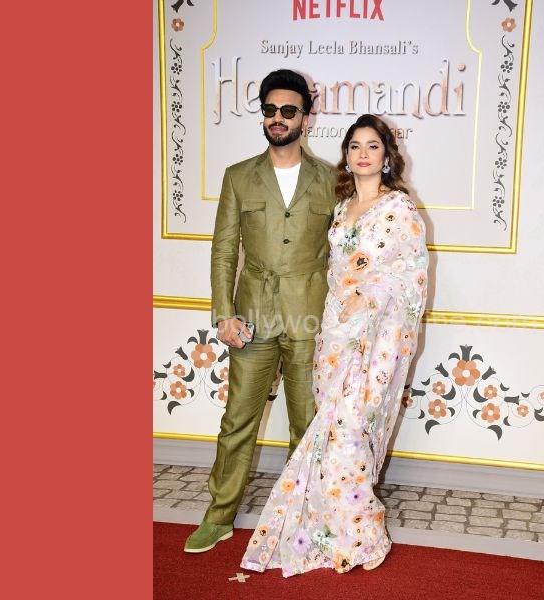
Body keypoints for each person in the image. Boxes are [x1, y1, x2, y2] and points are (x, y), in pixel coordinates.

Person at [239, 114, 429, 576]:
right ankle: (334, 530)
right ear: (346, 155)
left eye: (372, 146)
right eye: (355, 146)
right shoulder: (341, 209)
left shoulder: (399, 208)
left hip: (378, 339)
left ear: (387, 156)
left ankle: (363, 535)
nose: (363, 154)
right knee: (331, 428)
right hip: (334, 334)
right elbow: (333, 270)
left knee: (351, 429)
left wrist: (369, 298)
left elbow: (413, 276)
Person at [184, 69, 337, 553]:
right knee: (237, 422)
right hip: (251, 317)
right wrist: (222, 313)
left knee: (307, 424)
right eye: (270, 110)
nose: (278, 118)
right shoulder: (238, 176)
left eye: (288, 110)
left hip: (311, 316)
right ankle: (219, 516)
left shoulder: (332, 180)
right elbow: (224, 250)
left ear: (306, 119)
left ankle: (300, 517)